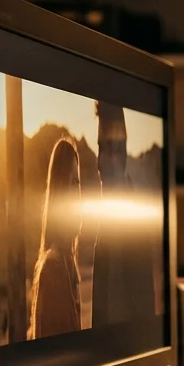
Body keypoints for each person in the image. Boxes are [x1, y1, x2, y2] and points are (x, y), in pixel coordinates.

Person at [90, 100, 158, 325]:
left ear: (123, 154)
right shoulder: (107, 216)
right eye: (100, 148)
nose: (100, 163)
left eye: (109, 149)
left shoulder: (133, 226)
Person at [27, 137, 83, 339]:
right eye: (73, 182)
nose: (79, 193)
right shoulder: (52, 268)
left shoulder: (69, 265)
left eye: (79, 183)